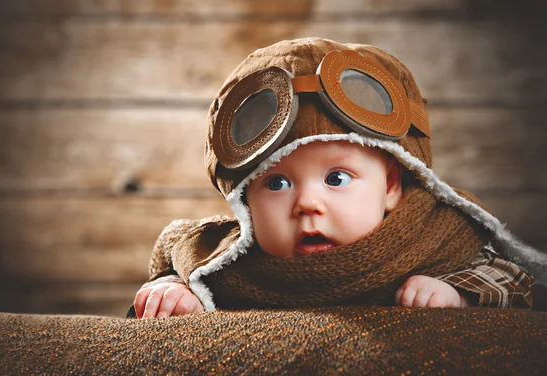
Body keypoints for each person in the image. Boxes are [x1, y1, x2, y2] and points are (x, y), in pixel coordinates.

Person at [130, 38, 543, 319]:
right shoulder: (226, 263)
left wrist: (459, 293)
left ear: (393, 185)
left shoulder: (433, 239)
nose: (307, 204)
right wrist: (175, 293)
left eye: (337, 178)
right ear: (244, 202)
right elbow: (189, 273)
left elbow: (513, 278)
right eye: (276, 183)